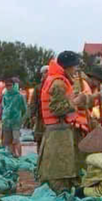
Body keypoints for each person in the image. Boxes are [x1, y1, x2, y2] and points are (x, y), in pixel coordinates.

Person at [37, 51, 88, 193]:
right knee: (59, 169)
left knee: (57, 165)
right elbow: (56, 109)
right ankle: (59, 194)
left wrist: (74, 99)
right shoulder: (59, 83)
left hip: (56, 130)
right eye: (74, 66)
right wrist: (76, 102)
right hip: (58, 132)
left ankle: (60, 191)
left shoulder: (54, 79)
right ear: (67, 66)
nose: (75, 69)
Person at [1, 77, 28, 157]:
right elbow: (3, 107)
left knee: (16, 140)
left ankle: (19, 156)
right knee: (8, 141)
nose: (8, 87)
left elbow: (24, 109)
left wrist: (20, 118)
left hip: (16, 121)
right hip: (6, 121)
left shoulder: (19, 96)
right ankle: (12, 155)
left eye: (10, 85)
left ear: (13, 85)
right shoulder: (5, 96)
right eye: (7, 86)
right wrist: (4, 117)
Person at [29, 65, 49, 149]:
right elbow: (33, 103)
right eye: (45, 72)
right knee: (39, 139)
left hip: (51, 118)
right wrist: (33, 115)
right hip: (41, 118)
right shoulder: (38, 88)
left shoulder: (53, 85)